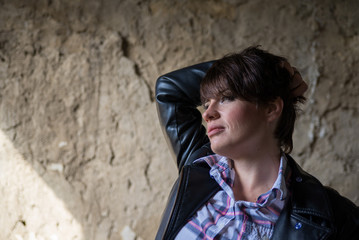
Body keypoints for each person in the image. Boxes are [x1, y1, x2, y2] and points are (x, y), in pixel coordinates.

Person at [154, 46, 359, 240]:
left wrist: (259, 74)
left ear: (270, 109)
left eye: (226, 97)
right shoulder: (199, 165)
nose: (207, 113)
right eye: (207, 103)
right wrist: (263, 70)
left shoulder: (331, 214)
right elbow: (170, 89)